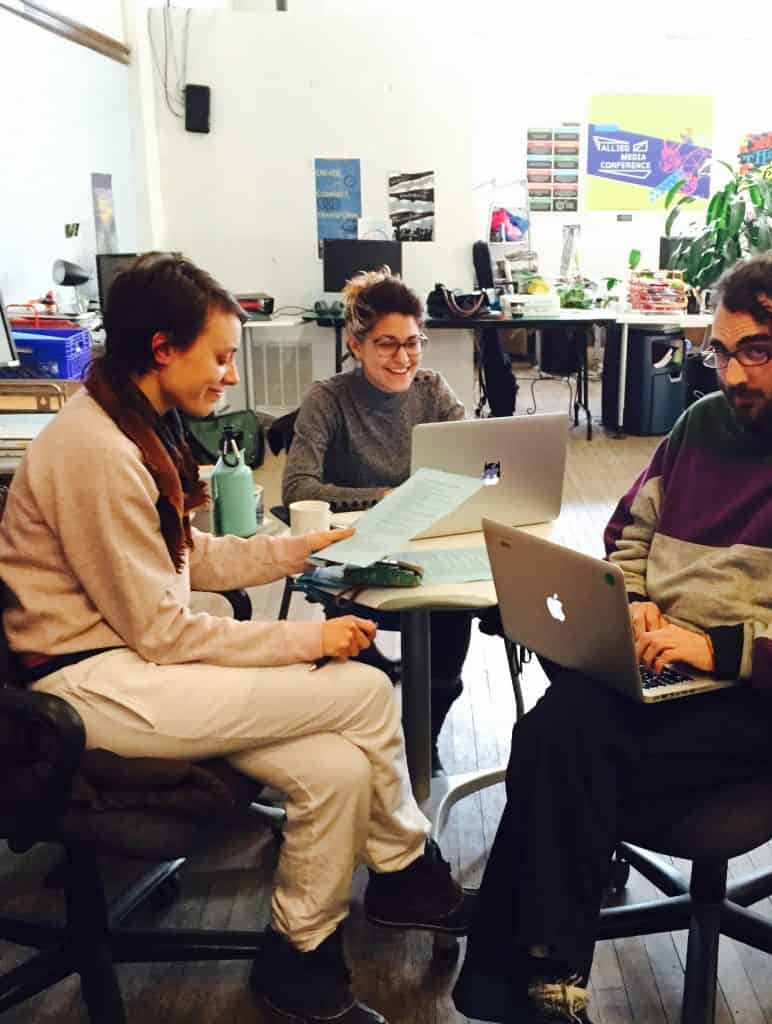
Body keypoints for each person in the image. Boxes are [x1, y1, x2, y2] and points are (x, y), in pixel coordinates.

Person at [452, 253, 772, 1024]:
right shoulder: (699, 426)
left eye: (757, 352)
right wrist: (632, 603)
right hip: (659, 661)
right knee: (559, 733)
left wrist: (724, 649)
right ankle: (541, 984)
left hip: (770, 692)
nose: (734, 373)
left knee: (561, 745)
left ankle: (528, 983)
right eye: (722, 351)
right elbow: (628, 535)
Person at [0, 254, 471, 1024]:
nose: (229, 375)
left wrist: (299, 548)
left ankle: (299, 961)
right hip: (88, 684)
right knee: (362, 689)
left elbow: (183, 556)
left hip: (128, 661)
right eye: (219, 356)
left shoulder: (130, 424)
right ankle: (405, 870)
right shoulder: (95, 451)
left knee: (334, 771)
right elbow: (162, 628)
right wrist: (309, 643)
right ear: (162, 348)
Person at [282, 268, 472, 775]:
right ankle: (378, 739)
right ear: (356, 344)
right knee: (364, 677)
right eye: (388, 344)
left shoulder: (431, 391)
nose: (404, 357)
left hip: (427, 550)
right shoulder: (330, 399)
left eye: (414, 343)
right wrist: (385, 499)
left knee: (451, 639)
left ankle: (421, 737)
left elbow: (472, 463)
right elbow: (298, 489)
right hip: (355, 559)